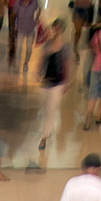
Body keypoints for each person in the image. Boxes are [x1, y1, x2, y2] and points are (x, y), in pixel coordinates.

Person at [37, 20, 72, 152]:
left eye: (58, 29)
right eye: (54, 28)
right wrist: (38, 72)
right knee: (43, 108)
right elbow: (41, 59)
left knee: (50, 111)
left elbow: (68, 63)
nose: (55, 31)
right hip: (46, 81)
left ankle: (44, 137)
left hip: (58, 83)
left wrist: (67, 81)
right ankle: (45, 132)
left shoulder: (66, 47)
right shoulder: (47, 44)